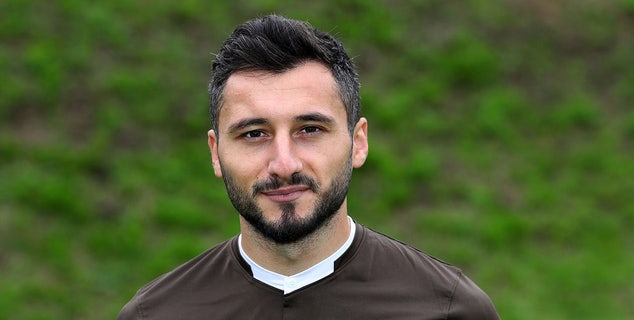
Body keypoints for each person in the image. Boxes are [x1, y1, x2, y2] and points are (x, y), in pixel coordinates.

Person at [117, 14, 500, 319]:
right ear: (216, 152)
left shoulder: (451, 310)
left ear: (358, 142)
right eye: (254, 134)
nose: (284, 164)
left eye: (310, 129)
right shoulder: (156, 314)